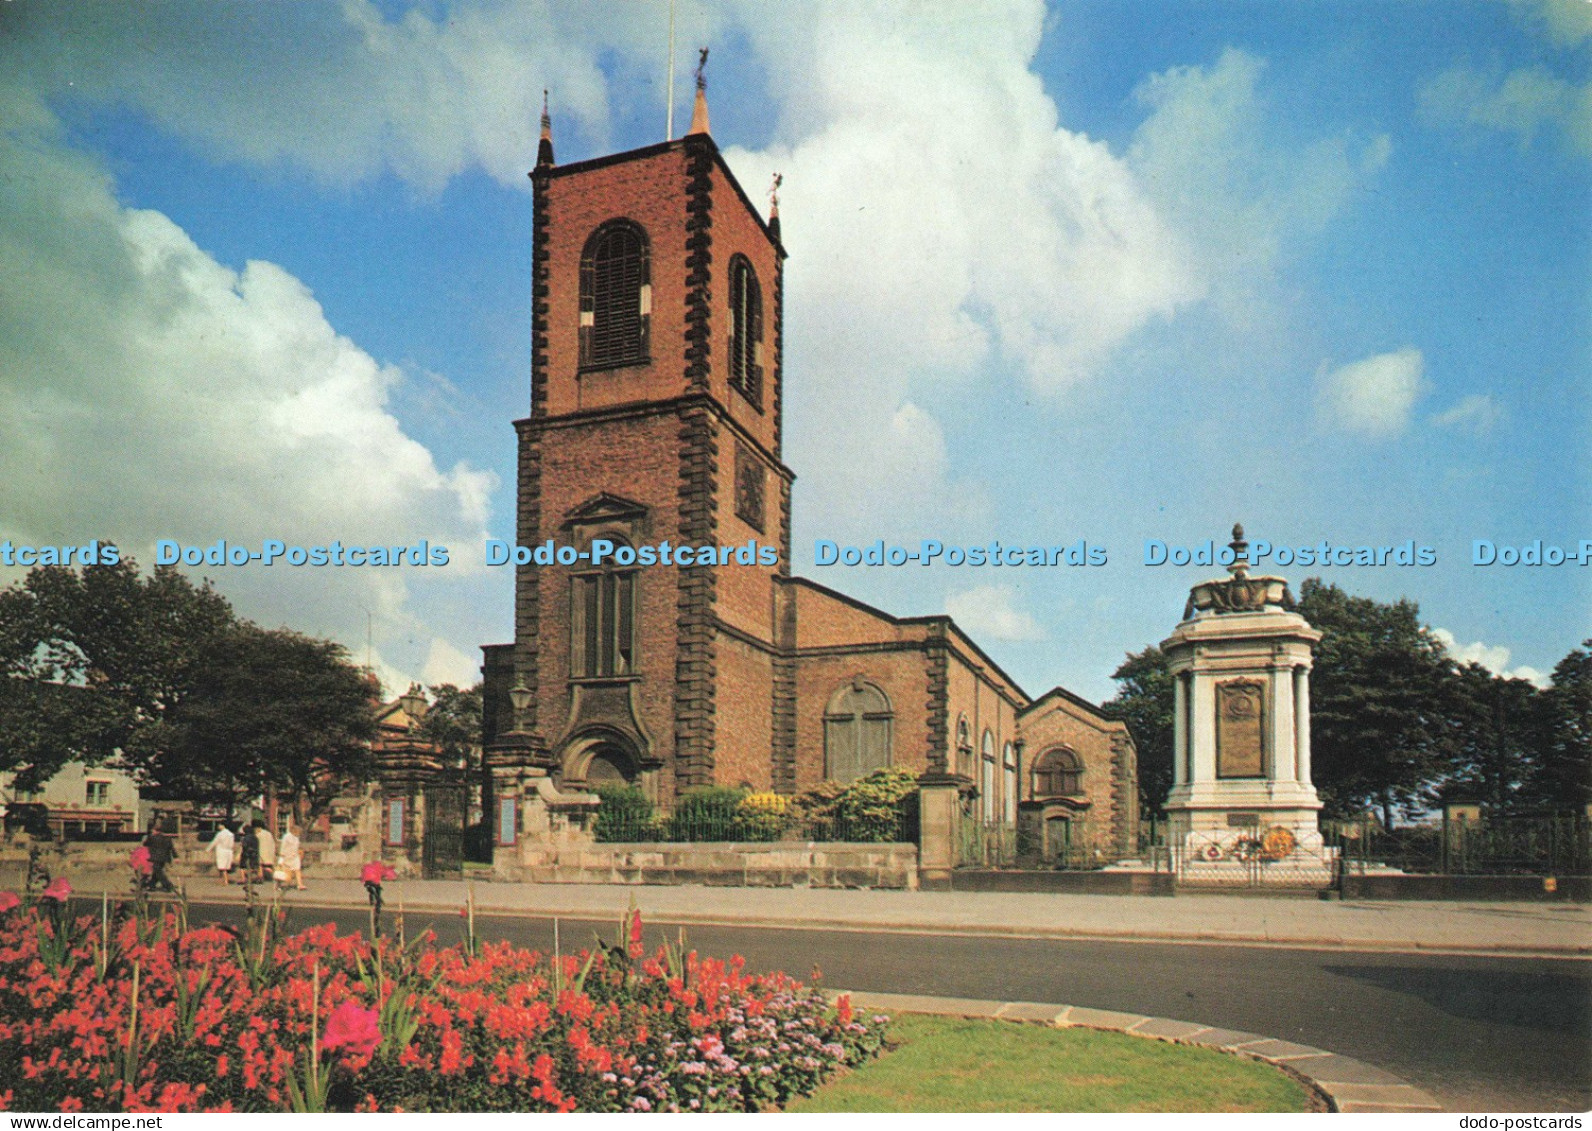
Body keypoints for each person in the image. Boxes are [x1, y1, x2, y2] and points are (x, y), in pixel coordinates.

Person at [143, 827, 177, 893]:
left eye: (153, 831)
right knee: (156, 872)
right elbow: (171, 848)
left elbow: (145, 844)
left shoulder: (151, 838)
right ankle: (151, 885)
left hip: (155, 858)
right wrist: (175, 857)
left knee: (159, 873)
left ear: (155, 831)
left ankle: (168, 886)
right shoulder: (167, 838)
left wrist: (146, 838)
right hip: (164, 858)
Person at [277, 821, 304, 890]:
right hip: (286, 856)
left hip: (294, 856)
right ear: (294, 831)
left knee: (297, 870)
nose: (299, 834)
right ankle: (278, 885)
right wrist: (282, 856)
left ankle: (299, 884)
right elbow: (283, 847)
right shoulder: (286, 837)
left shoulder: (296, 838)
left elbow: (296, 847)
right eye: (298, 832)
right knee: (282, 872)